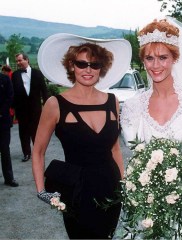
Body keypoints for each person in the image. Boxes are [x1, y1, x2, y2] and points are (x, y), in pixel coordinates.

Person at [120, 17, 182, 239]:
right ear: (143, 61)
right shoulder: (134, 107)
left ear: (175, 58)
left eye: (163, 57)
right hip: (148, 202)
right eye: (150, 58)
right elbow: (136, 157)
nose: (156, 65)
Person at [32, 33, 131, 239]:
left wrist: (123, 185)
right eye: (82, 63)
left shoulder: (112, 101)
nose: (88, 69)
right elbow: (38, 151)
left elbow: (114, 149)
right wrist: (42, 190)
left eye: (94, 65)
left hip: (110, 188)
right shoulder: (55, 104)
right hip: (76, 192)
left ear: (101, 69)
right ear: (71, 66)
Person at [12, 53, 48, 162]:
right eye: (17, 61)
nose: (18, 63)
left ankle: (38, 153)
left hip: (35, 109)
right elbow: (13, 92)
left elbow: (44, 91)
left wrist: (47, 106)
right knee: (23, 133)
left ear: (27, 60)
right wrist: (13, 108)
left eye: (20, 60)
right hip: (21, 109)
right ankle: (26, 153)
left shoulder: (37, 73)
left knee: (36, 132)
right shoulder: (15, 75)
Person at [0, 72, 19, 187]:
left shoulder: (5, 79)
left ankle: (9, 178)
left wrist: (1, 112)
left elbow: (10, 96)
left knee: (5, 150)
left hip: (3, 121)